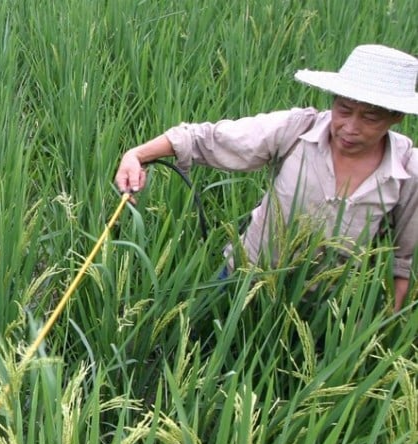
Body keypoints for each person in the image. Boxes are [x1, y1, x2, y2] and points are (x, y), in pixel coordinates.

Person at [115, 44, 418, 311]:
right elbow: (206, 139)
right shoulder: (297, 130)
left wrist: (383, 326)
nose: (350, 127)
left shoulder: (407, 171)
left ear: (396, 117)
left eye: (370, 117)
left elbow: (400, 261)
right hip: (246, 276)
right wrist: (136, 155)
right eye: (344, 109)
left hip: (326, 304)